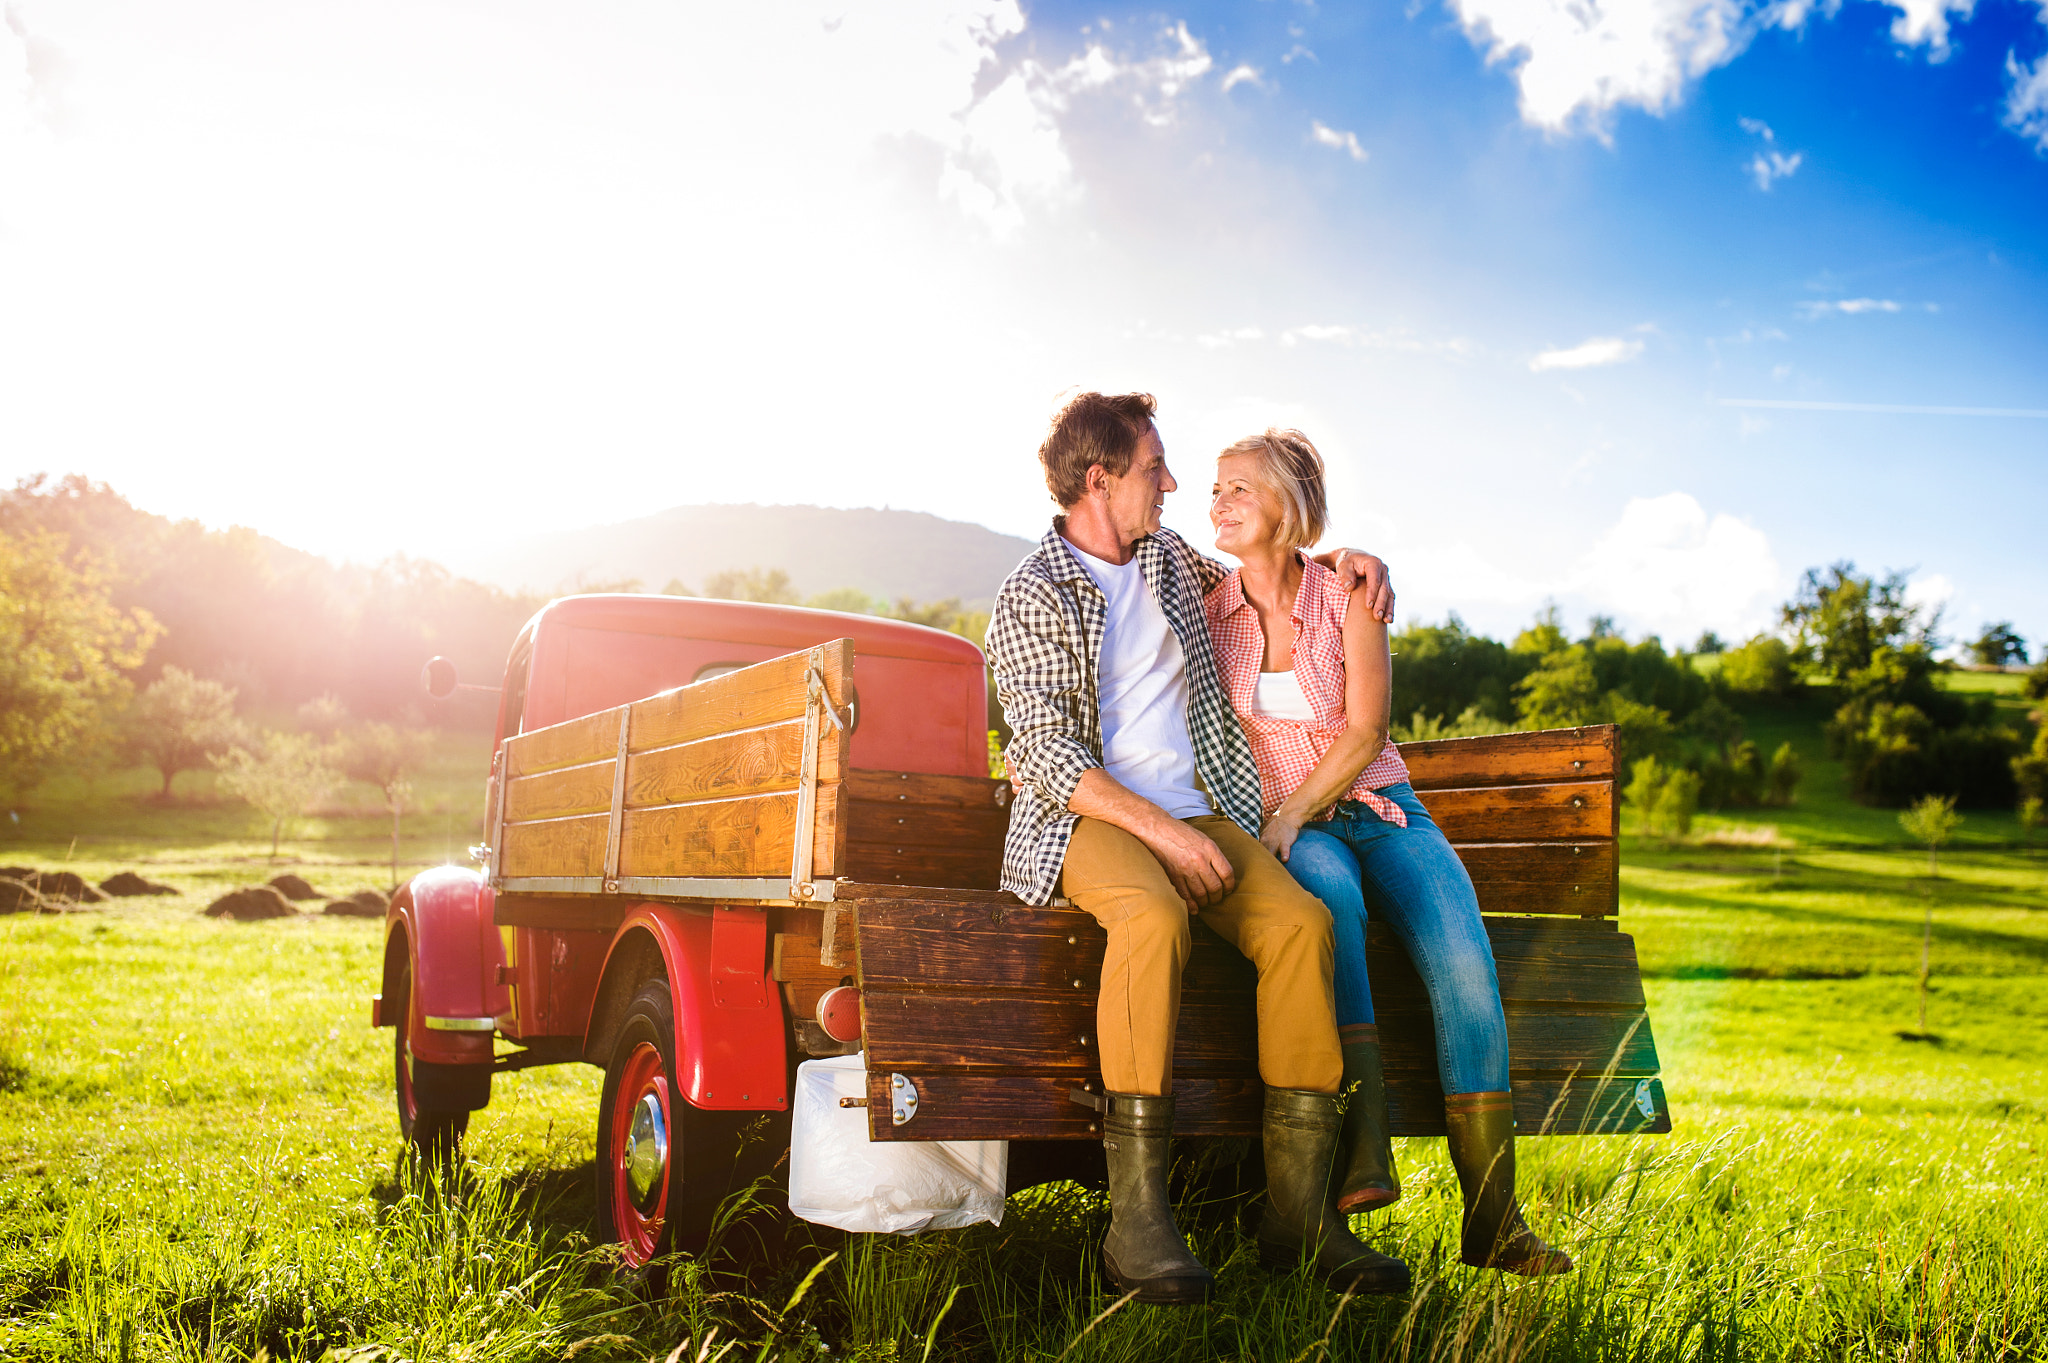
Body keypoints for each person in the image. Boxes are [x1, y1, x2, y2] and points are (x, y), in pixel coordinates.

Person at [986, 392, 1407, 1304]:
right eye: (1154, 468)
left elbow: (1270, 559)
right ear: (1099, 480)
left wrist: (1349, 563)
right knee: (1150, 912)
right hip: (1090, 820)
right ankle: (1135, 1223)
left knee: (1300, 924)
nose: (1172, 484)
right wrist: (1163, 832)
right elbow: (1048, 755)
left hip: (1201, 808)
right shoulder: (1032, 594)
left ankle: (1298, 1213)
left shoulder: (1171, 561)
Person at [1201, 427, 1571, 1276]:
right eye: (1214, 489)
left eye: (1238, 489)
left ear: (1287, 505)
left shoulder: (1349, 595)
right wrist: (1291, 821)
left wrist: (1290, 812)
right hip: (1302, 830)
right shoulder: (1208, 604)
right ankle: (1365, 1153)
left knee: (1465, 962)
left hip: (1380, 808)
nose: (1217, 502)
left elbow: (1367, 729)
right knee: (1333, 910)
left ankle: (1494, 1217)